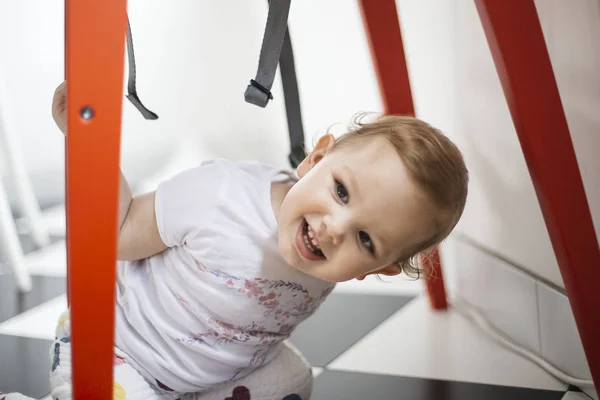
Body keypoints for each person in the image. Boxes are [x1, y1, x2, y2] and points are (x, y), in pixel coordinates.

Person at [4, 81, 469, 399]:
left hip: (212, 374)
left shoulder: (328, 259)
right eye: (341, 191)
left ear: (379, 268)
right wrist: (89, 143)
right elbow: (119, 232)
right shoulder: (219, 197)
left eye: (365, 239)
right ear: (316, 158)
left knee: (292, 380)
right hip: (118, 350)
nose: (333, 228)